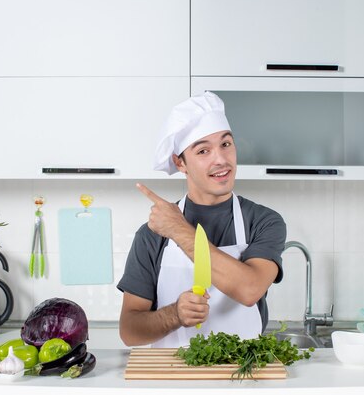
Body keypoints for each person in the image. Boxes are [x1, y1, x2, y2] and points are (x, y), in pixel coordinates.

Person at [117, 91, 286, 348]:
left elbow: (250, 290)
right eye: (203, 150)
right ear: (180, 163)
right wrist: (173, 315)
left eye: (226, 144)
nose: (221, 160)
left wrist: (178, 229)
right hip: (173, 380)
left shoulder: (263, 222)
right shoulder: (152, 234)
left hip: (242, 377)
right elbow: (130, 331)